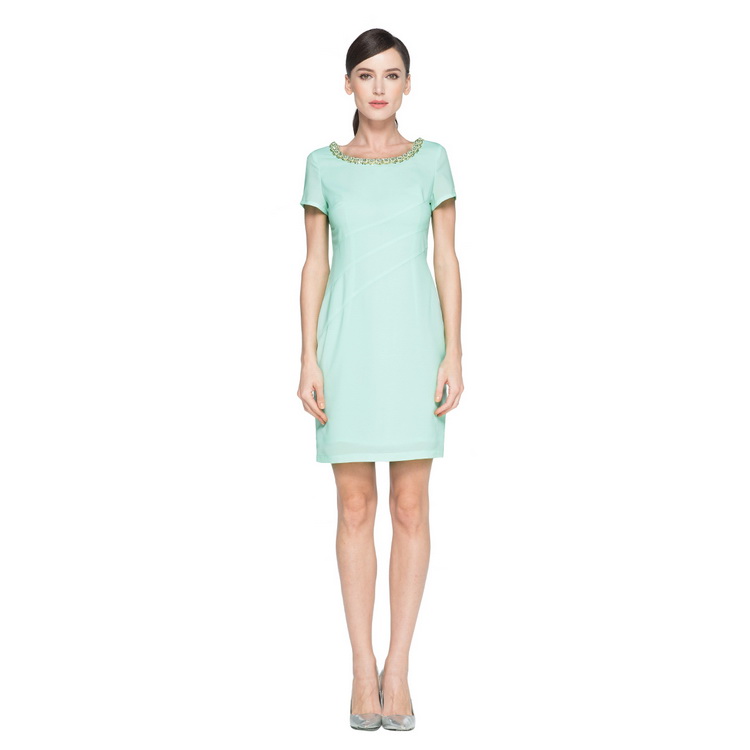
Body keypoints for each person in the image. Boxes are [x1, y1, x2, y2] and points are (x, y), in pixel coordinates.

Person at [297, 28, 463, 731]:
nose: (378, 88)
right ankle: (361, 670)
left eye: (391, 75)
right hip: (347, 348)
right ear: (348, 85)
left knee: (411, 507)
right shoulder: (321, 165)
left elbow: (447, 259)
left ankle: (399, 669)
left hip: (415, 346)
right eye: (366, 75)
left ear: (407, 85)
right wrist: (308, 356)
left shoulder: (433, 161)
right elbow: (315, 263)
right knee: (355, 507)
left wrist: (454, 353)